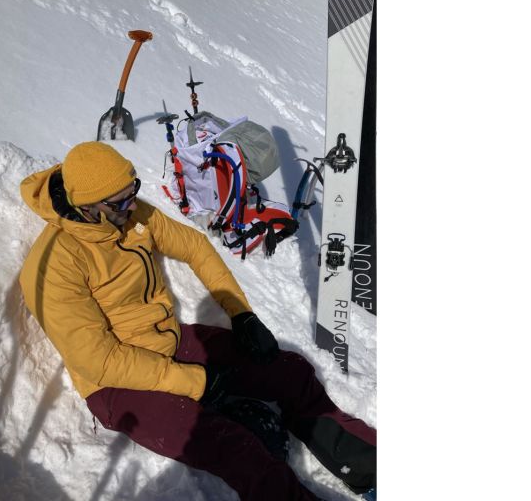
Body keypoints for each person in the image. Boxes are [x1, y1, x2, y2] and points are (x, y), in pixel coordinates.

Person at [19, 142, 376, 500]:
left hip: (170, 342)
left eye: (133, 193)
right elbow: (98, 360)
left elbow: (194, 247)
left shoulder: (130, 215)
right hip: (117, 384)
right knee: (238, 451)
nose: (132, 207)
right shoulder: (55, 264)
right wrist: (194, 381)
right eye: (120, 202)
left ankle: (371, 467)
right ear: (87, 206)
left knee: (289, 372)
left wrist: (242, 314)